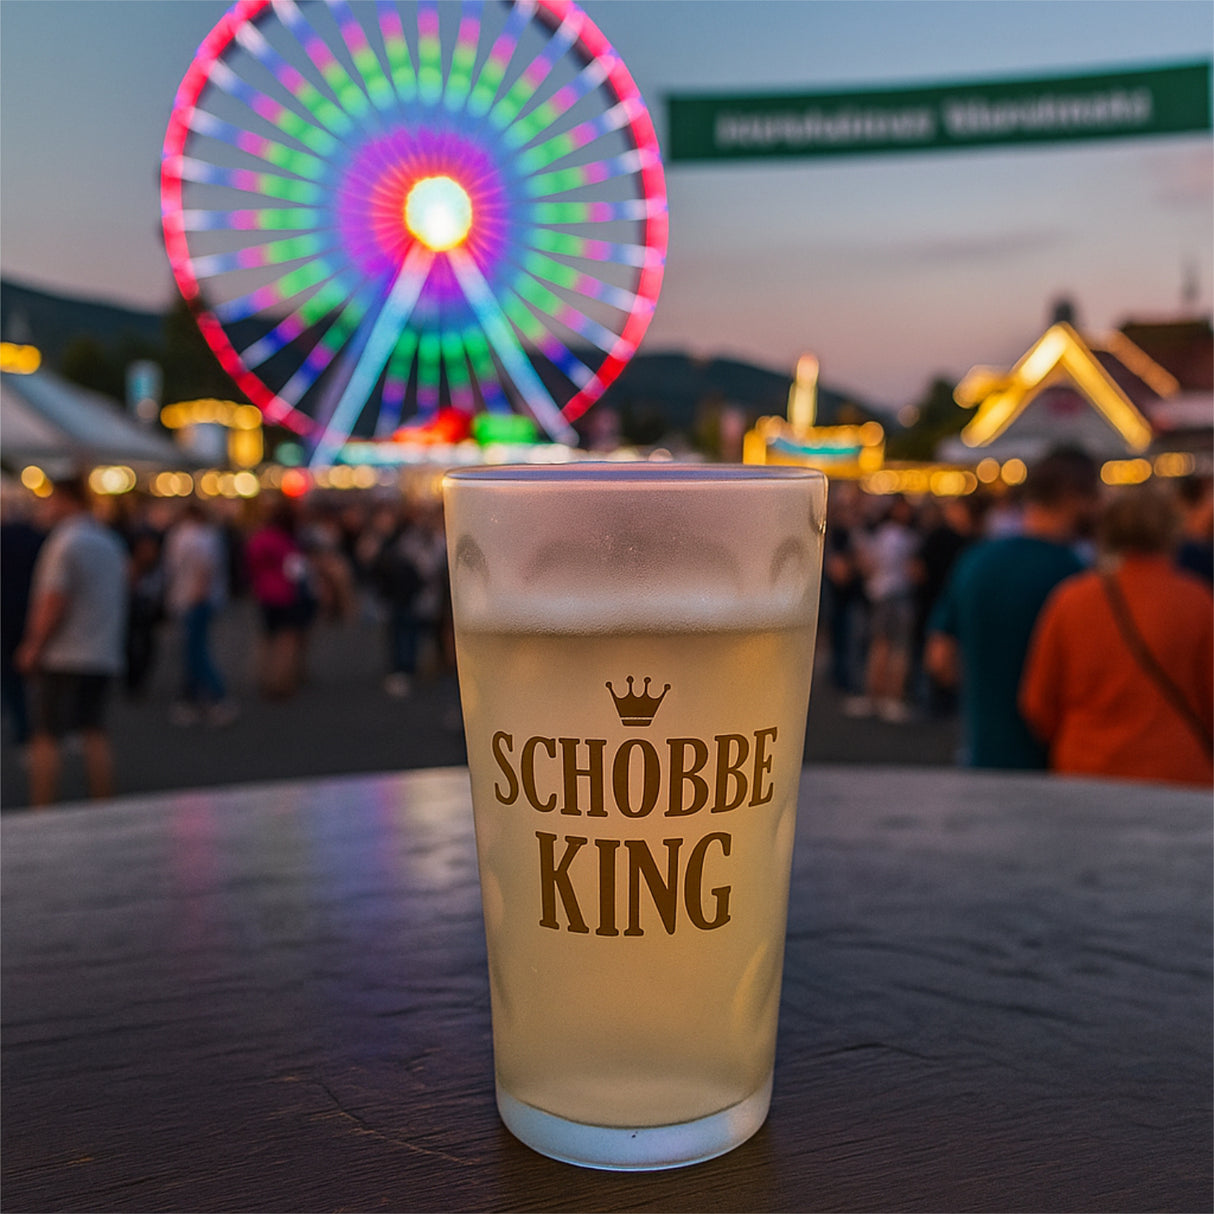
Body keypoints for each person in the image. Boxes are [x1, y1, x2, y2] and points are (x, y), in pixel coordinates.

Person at [1020, 486, 1212, 786]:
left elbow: (1038, 702)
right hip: (1176, 771)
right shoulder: (1196, 601)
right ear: (1171, 531)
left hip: (1087, 767)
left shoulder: (1071, 599)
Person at [925, 447, 1099, 769]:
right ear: (1074, 497)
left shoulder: (975, 561)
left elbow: (939, 659)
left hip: (982, 755)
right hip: (1053, 762)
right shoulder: (1078, 576)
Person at [14, 475, 129, 806]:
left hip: (65, 653)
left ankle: (43, 810)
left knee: (46, 735)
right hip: (102, 649)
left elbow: (54, 600)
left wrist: (33, 644)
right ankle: (103, 805)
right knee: (94, 730)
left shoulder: (64, 542)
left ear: (65, 499)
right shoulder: (107, 540)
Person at [162, 501, 236, 725]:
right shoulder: (209, 536)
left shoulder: (189, 537)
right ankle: (192, 699)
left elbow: (202, 570)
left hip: (192, 600)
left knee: (195, 651)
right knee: (193, 650)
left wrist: (195, 596)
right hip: (200, 600)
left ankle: (217, 697)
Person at [854, 495, 919, 722]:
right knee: (896, 647)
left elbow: (868, 564)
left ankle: (876, 696)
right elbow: (912, 570)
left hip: (882, 594)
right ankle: (891, 697)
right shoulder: (905, 536)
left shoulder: (883, 534)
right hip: (897, 593)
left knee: (881, 645)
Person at [245, 497, 315, 699]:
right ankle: (280, 682)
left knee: (268, 637)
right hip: (286, 594)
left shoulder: (259, 539)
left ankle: (265, 677)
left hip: (264, 594)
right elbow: (296, 570)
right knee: (287, 640)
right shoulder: (286, 542)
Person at [1, 492, 46, 745]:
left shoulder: (5, 537)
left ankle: (24, 726)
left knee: (11, 672)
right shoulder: (41, 538)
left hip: (9, 613)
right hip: (33, 609)